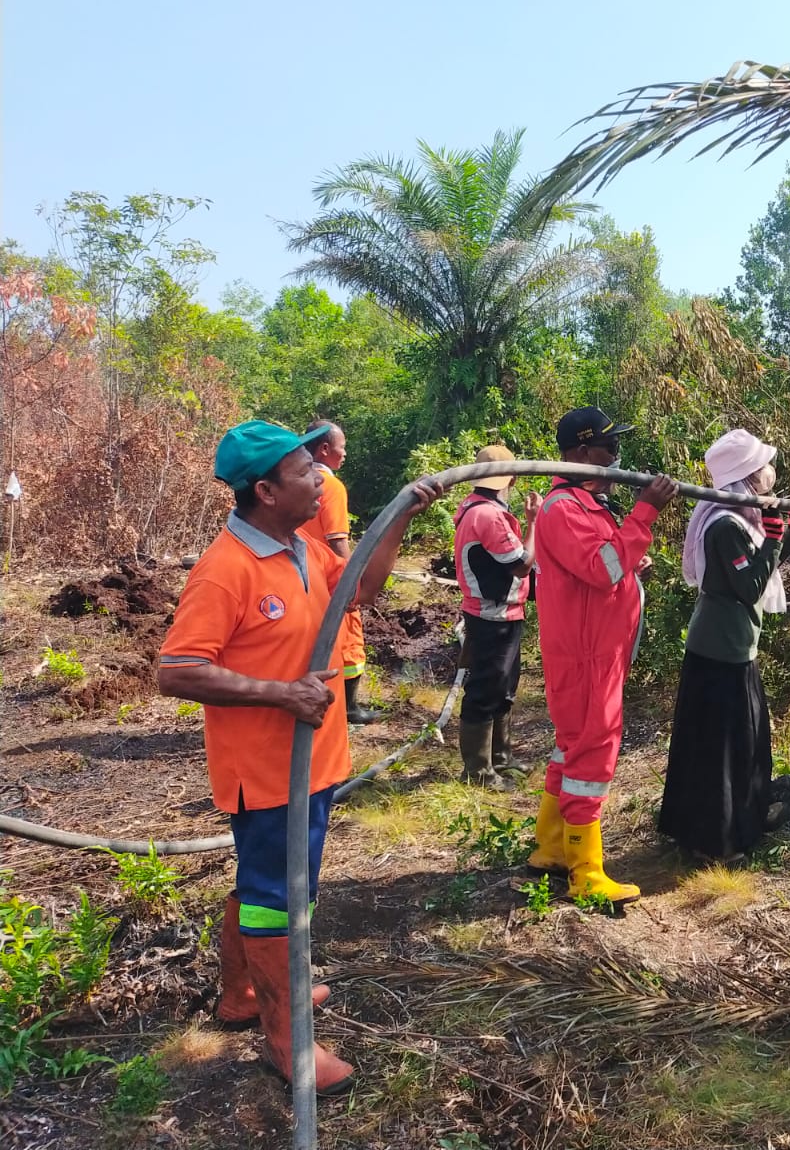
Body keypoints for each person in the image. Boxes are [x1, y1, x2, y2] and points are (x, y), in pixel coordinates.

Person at [158, 419, 440, 1095]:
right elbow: (176, 670)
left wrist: (401, 515)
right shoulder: (227, 570)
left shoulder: (303, 549)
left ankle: (240, 998)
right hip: (266, 773)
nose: (321, 479)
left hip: (309, 765)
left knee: (267, 890)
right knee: (277, 899)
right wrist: (279, 693)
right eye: (304, 473)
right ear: (264, 489)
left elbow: (361, 592)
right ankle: (290, 1050)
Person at [523, 406, 678, 904]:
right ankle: (586, 873)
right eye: (610, 449)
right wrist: (645, 512)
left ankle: (550, 847)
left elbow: (607, 562)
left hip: (592, 649)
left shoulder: (583, 505)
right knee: (593, 750)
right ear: (583, 453)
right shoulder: (564, 507)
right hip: (587, 655)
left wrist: (633, 562)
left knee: (570, 746)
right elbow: (602, 568)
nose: (616, 458)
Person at [659, 429, 790, 862]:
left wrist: (789, 536)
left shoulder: (743, 516)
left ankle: (750, 811)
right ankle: (712, 839)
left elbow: (759, 567)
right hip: (720, 649)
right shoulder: (725, 523)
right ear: (747, 474)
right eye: (764, 465)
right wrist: (777, 540)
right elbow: (749, 585)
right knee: (721, 744)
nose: (771, 472)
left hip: (737, 644)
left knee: (750, 735)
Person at [452, 445, 538, 789]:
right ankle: (478, 771)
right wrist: (534, 523)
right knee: (486, 690)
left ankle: (500, 759)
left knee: (503, 687)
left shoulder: (475, 508)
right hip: (493, 616)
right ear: (511, 478)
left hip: (501, 613)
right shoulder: (487, 516)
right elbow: (521, 563)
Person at [297, 420, 378, 724]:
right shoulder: (329, 485)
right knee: (349, 640)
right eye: (342, 447)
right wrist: (352, 581)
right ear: (326, 449)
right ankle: (349, 707)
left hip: (300, 576)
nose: (345, 453)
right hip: (329, 576)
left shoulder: (295, 481)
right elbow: (337, 539)